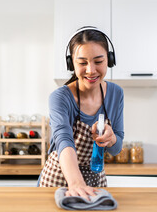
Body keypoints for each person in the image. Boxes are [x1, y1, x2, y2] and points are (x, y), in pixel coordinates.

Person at [39, 26, 124, 201]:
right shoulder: (60, 97)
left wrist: (112, 138)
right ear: (72, 64)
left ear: (109, 60)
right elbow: (64, 140)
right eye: (82, 62)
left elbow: (116, 149)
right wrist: (76, 182)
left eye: (98, 61)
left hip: (96, 180)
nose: (91, 70)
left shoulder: (116, 94)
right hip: (58, 179)